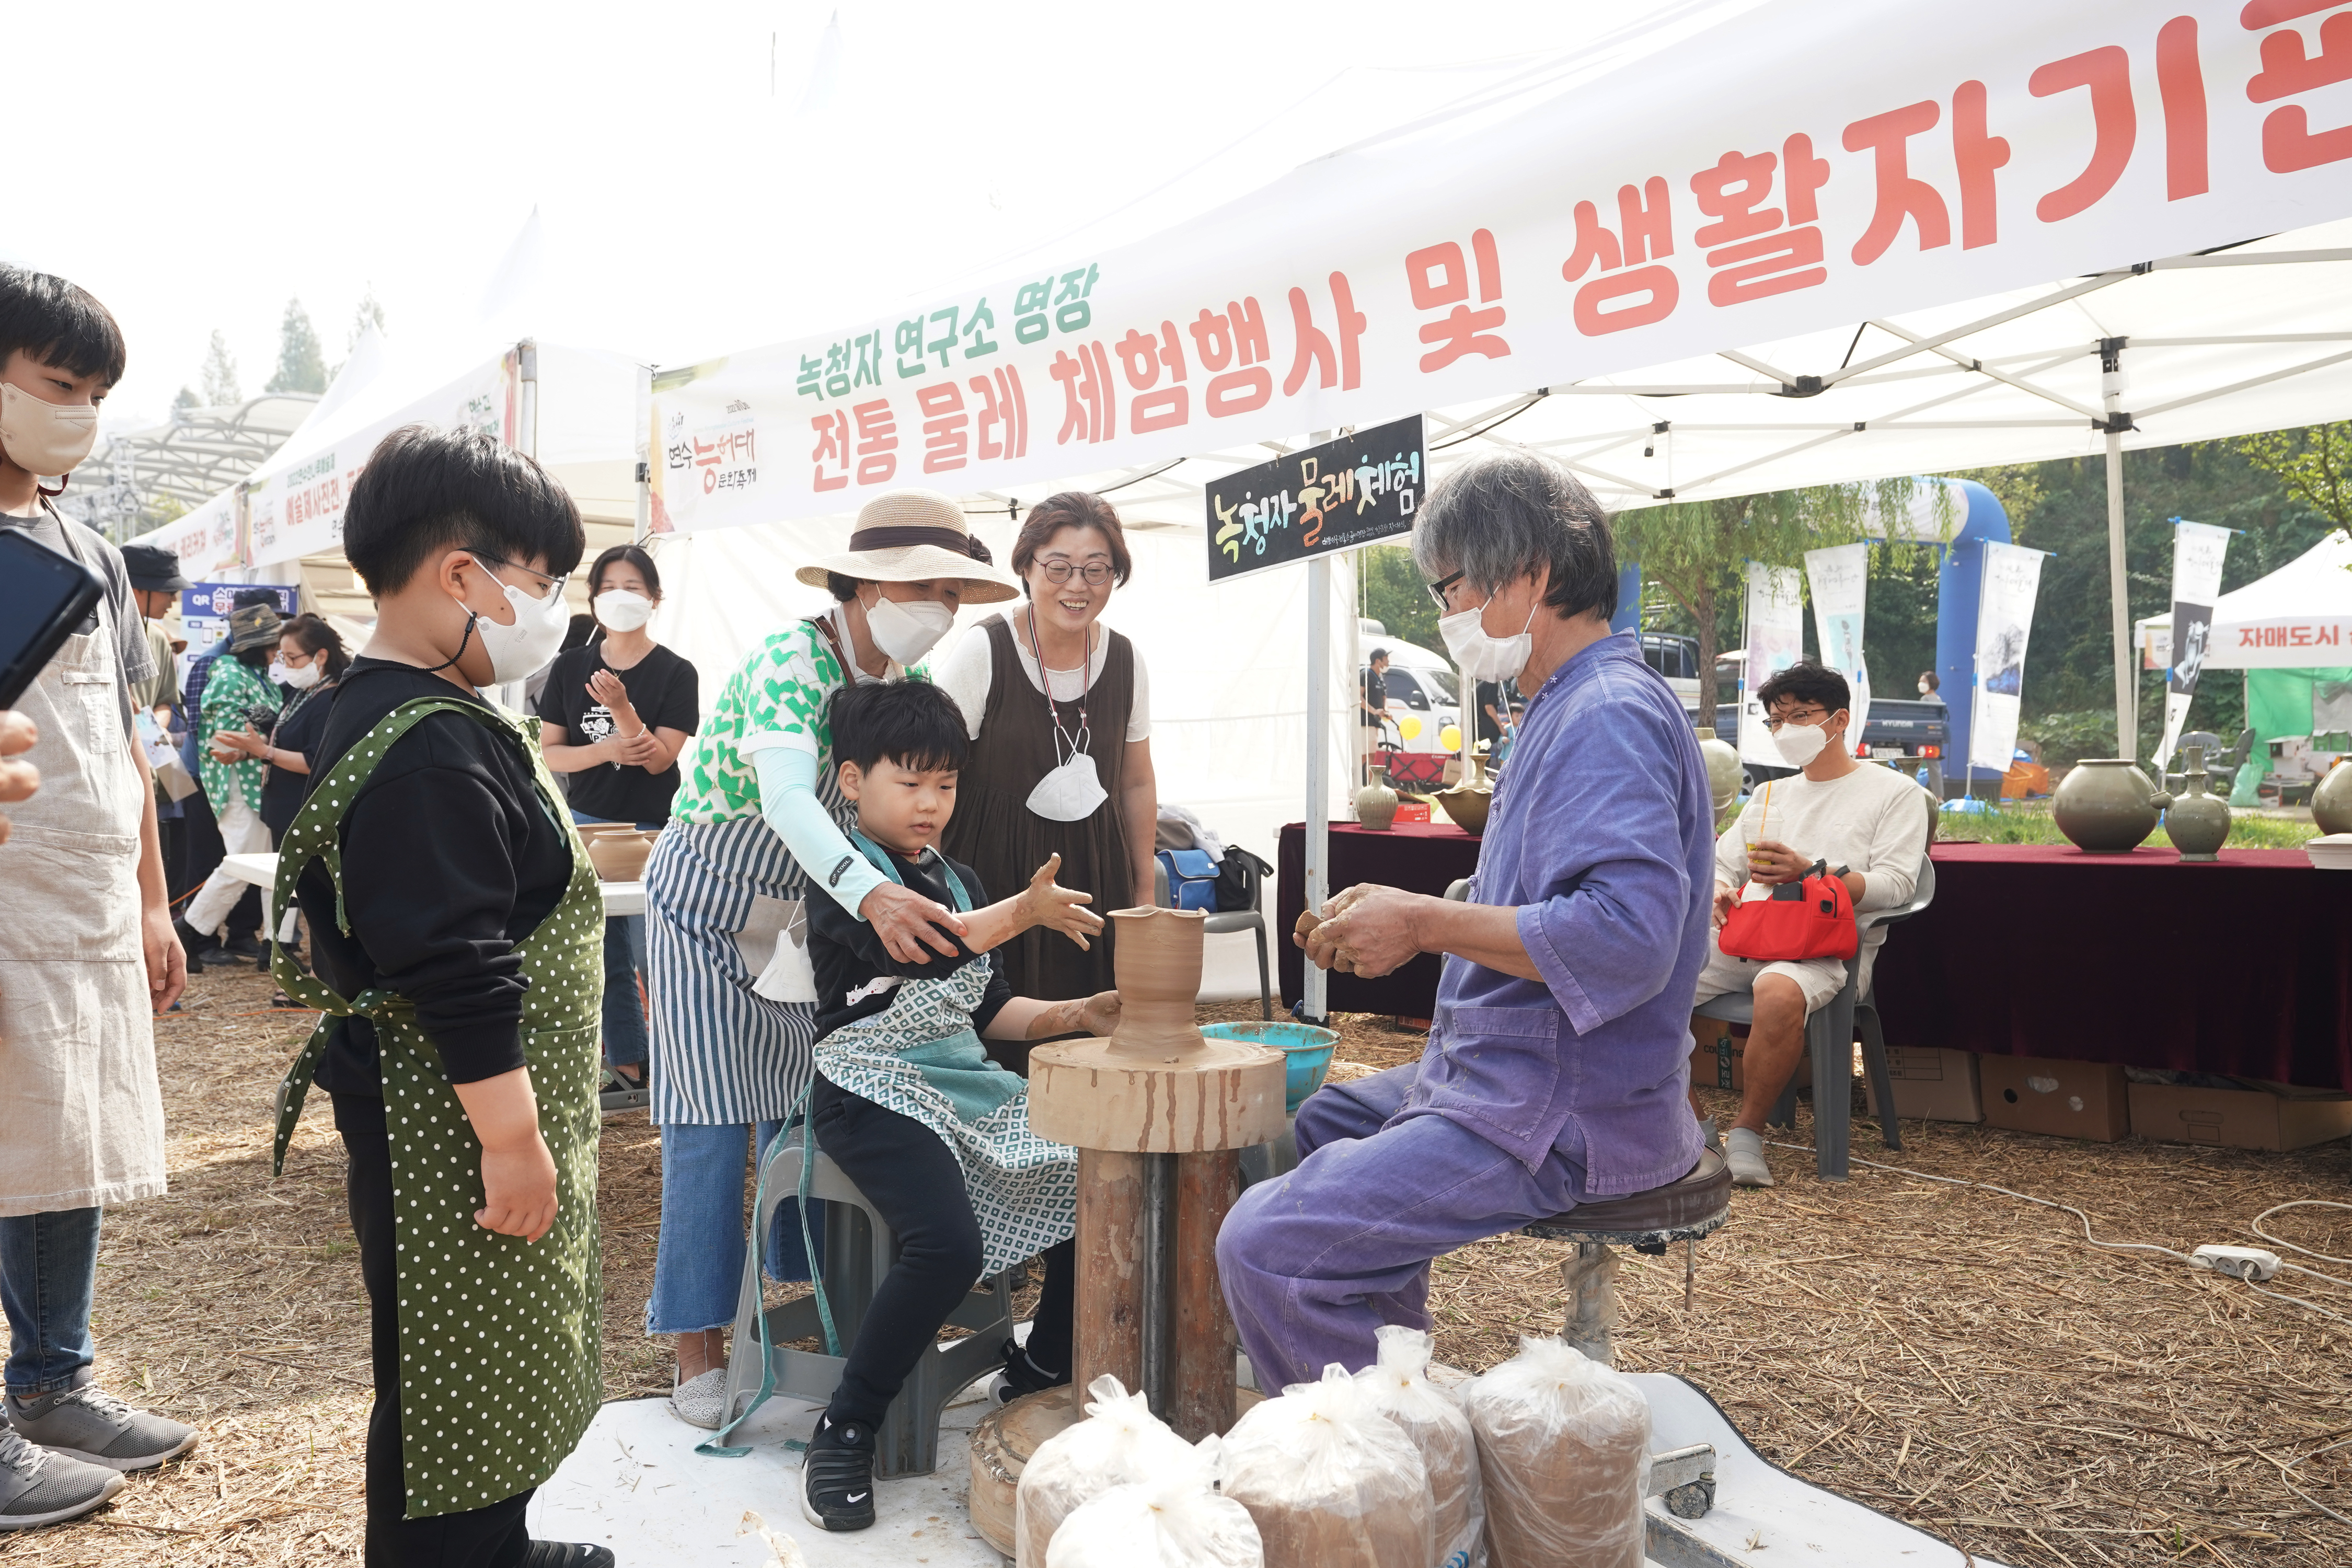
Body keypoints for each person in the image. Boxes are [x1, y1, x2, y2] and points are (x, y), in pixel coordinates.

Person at [1216, 451, 1716, 1386]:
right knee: (1325, 1120)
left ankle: (1386, 1501)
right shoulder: (1566, 704)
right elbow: (1551, 898)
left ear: (1529, 576)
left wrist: (1428, 925)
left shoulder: (1604, 713)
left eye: (1451, 590)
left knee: (1266, 1244)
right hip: (1523, 1067)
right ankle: (1391, 1382)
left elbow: (1625, 937)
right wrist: (1424, 913)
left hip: (1568, 1100)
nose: (1445, 617)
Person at [267, 424, 612, 1566]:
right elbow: (457, 964)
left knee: (492, 1355)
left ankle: (499, 1542)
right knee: (449, 1374)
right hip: (457, 1118)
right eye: (545, 581)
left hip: (444, 1102)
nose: (554, 607)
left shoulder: (373, 706)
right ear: (463, 575)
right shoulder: (425, 747)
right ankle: (458, 1554)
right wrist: (512, 1142)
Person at [643, 488, 1019, 1429]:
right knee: (708, 1122)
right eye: (922, 586)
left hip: (798, 917)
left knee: (795, 1114)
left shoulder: (892, 680)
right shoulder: (789, 660)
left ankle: (812, 1308)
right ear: (866, 584)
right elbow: (789, 801)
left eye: (951, 592)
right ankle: (698, 1344)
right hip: (707, 905)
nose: (939, 606)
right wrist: (873, 893)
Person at [792, 681, 1114, 1532]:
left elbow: (985, 1011)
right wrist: (1026, 912)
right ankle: (846, 1430)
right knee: (946, 1246)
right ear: (853, 781)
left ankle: (1039, 1368)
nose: (932, 802)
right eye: (912, 782)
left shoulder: (962, 878)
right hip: (868, 1086)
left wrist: (1073, 1018)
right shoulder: (850, 879)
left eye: (946, 784)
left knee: (1091, 1174)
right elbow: (939, 947)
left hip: (958, 1079)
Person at [0, 267, 196, 1530]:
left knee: (62, 1140)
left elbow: (125, 731)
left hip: (74, 896)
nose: (77, 413)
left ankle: (55, 1382)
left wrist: (156, 898)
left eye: (94, 394)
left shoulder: (84, 550)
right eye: (55, 384)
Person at [1691, 661, 1931, 1189]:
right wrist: (1716, 890)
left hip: (1826, 949)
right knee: (1646, 976)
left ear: (1840, 719)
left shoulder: (1895, 794)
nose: (1786, 730)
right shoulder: (1771, 795)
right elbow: (1717, 862)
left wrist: (1813, 874)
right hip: (1747, 932)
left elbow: (1896, 885)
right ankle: (1692, 1129)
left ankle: (1748, 1134)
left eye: (1801, 715)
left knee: (1777, 989)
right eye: (1776, 720)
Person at [935, 491, 1155, 1059]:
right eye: (1057, 567)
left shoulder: (1127, 660)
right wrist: (930, 888)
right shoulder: (984, 650)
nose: (1076, 586)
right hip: (993, 872)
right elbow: (932, 772)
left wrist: (1143, 891)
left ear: (1116, 576)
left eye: (1096, 570)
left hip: (1092, 872)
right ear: (1027, 567)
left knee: (1091, 1037)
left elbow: (1134, 781)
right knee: (996, 1034)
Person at [539, 545, 700, 1093]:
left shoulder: (676, 673)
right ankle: (628, 1065)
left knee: (653, 951)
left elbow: (660, 759)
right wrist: (605, 748)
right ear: (593, 598)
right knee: (601, 950)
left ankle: (683, 1065)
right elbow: (550, 753)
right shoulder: (569, 667)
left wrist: (625, 709)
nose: (620, 597)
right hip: (588, 823)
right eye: (609, 587)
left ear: (655, 599)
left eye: (633, 587)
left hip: (654, 828)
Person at [210, 613, 350, 969]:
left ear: (320, 656)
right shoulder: (303, 693)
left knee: (300, 884)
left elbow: (313, 760)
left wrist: (263, 753)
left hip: (302, 805)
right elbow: (282, 738)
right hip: (284, 804)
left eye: (292, 658)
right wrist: (246, 750)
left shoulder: (330, 698)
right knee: (288, 882)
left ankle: (283, 950)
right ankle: (278, 949)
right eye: (281, 657)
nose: (285, 665)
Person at [177, 595, 285, 959]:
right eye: (273, 645)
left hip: (260, 784)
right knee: (242, 864)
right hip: (237, 785)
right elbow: (221, 742)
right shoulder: (227, 674)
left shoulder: (256, 676)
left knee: (272, 863)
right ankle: (188, 933)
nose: (278, 651)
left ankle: (277, 944)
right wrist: (252, 748)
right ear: (257, 646)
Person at [1360, 646, 1393, 780]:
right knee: (1363, 754)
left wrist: (1386, 712)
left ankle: (1369, 785)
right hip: (1365, 722)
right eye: (1386, 659)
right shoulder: (1366, 674)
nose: (1388, 662)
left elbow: (1384, 699)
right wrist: (1374, 711)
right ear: (1378, 661)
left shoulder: (1380, 678)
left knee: (1372, 754)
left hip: (1375, 723)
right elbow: (1357, 697)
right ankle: (1357, 785)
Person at [1475, 676, 1516, 774]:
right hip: (1483, 731)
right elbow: (1489, 707)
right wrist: (1501, 726)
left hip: (1479, 728)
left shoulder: (1484, 684)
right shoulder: (1491, 684)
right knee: (1483, 760)